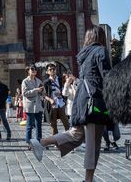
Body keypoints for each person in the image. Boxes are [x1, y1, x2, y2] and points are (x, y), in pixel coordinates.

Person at [29, 25, 111, 182]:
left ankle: (40, 142)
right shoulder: (101, 51)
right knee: (93, 143)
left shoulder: (84, 55)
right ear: (100, 38)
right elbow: (107, 77)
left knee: (76, 134)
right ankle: (88, 180)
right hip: (94, 101)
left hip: (81, 100)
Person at [43, 63, 70, 135]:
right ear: (47, 72)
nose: (52, 70)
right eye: (50, 69)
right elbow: (43, 95)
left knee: (66, 122)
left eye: (53, 69)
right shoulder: (46, 82)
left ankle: (68, 138)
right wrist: (50, 100)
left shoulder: (61, 79)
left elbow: (67, 89)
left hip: (61, 103)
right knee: (53, 124)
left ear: (56, 70)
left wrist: (61, 93)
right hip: (52, 105)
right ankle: (56, 141)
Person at [22, 64, 44, 146]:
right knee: (29, 126)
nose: (34, 70)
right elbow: (25, 93)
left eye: (35, 69)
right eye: (32, 69)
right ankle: (29, 142)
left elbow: (42, 93)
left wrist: (42, 90)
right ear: (28, 71)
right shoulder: (25, 81)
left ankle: (39, 141)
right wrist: (36, 90)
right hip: (30, 106)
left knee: (39, 125)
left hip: (38, 105)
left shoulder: (39, 81)